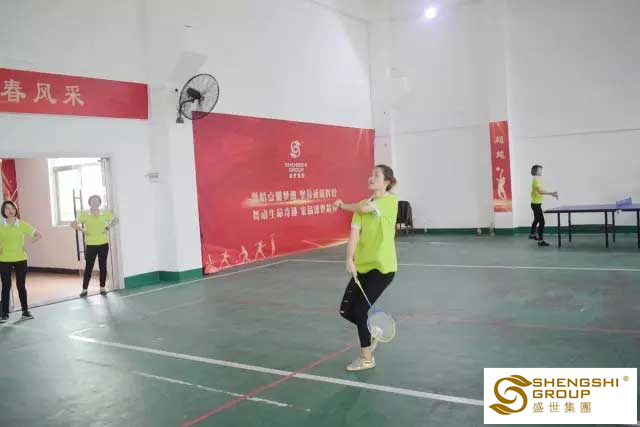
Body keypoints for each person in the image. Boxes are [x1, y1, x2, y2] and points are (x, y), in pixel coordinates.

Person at [333, 165, 398, 371]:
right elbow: (354, 234)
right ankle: (372, 330)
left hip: (383, 269)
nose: (371, 178)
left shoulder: (390, 202)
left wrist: (342, 205)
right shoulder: (363, 204)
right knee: (346, 311)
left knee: (360, 310)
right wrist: (349, 259)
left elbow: (363, 209)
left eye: (376, 175)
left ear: (386, 182)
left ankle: (367, 358)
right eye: (370, 174)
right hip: (362, 267)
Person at [0, 201, 42, 322]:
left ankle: (25, 311)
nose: (10, 210)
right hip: (4, 259)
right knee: (6, 286)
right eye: (7, 208)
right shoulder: (1, 226)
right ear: (3, 212)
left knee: (21, 285)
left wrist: (27, 245)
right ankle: (4, 313)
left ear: (16, 210)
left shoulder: (22, 224)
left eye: (12, 208)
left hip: (21, 259)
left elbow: (38, 235)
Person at [71, 195, 116, 296]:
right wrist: (83, 230)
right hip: (91, 245)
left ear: (99, 202)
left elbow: (115, 220)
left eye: (96, 201)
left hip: (103, 244)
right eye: (92, 201)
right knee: (89, 267)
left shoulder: (105, 212)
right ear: (89, 203)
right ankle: (84, 289)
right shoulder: (84, 214)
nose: (95, 203)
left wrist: (108, 227)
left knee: (103, 266)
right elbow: (73, 224)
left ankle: (102, 288)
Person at [530, 165, 558, 247]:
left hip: (536, 204)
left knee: (536, 219)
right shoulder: (536, 180)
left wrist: (551, 193)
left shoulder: (537, 179)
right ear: (535, 171)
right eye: (540, 170)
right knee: (542, 222)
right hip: (536, 204)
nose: (541, 171)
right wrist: (551, 193)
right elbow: (540, 191)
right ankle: (540, 241)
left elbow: (541, 190)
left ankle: (532, 234)